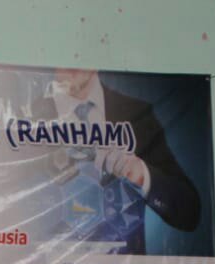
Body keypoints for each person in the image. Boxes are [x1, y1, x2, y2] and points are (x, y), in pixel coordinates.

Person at [45, 67, 201, 252]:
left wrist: (142, 175)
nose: (74, 59)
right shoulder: (26, 121)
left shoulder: (137, 113)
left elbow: (189, 212)